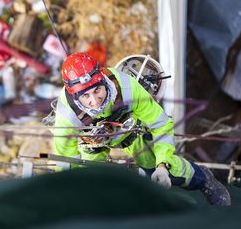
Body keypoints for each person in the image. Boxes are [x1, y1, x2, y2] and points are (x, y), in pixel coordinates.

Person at [52, 52, 231, 206]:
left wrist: (162, 165)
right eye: (85, 96)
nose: (95, 100)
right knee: (89, 181)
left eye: (98, 90)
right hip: (93, 141)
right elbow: (66, 159)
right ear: (75, 96)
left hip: (128, 131)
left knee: (155, 167)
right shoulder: (66, 115)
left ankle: (203, 179)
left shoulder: (127, 88)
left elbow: (160, 123)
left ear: (103, 80)